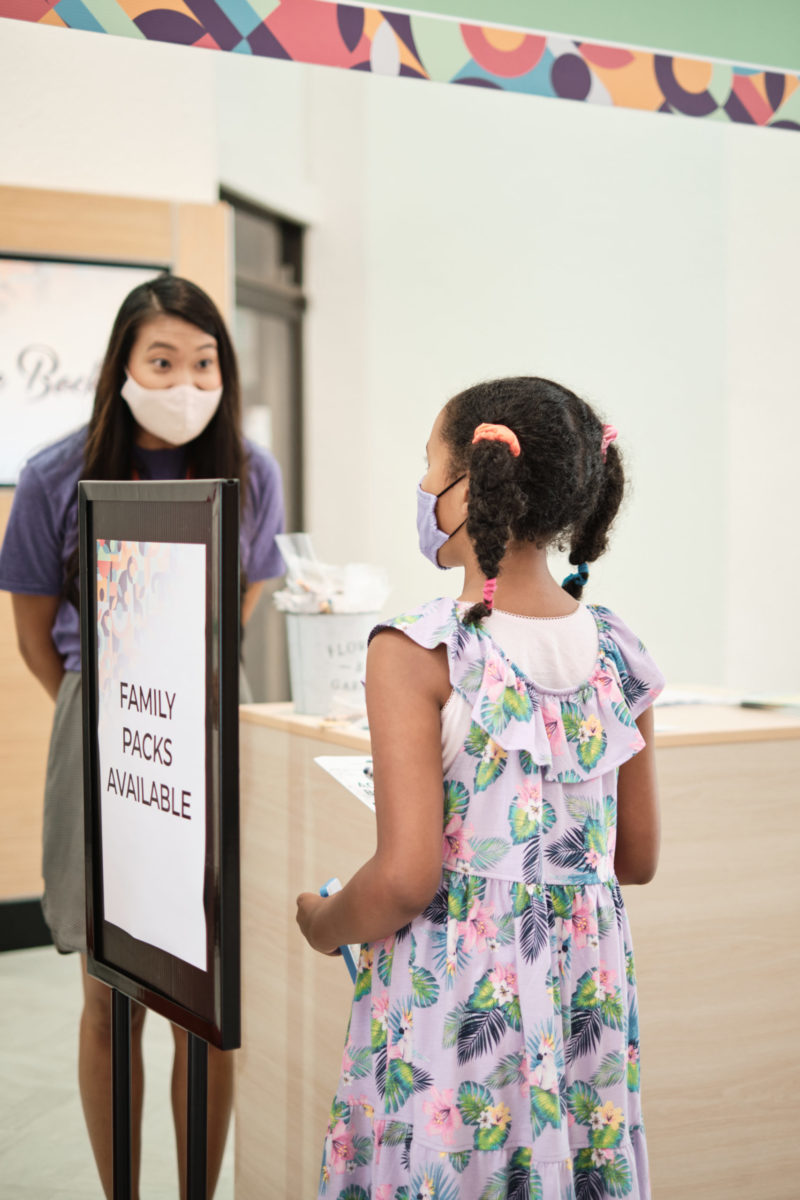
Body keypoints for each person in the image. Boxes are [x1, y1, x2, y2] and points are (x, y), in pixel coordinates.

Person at [296, 376, 663, 1199]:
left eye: (430, 466)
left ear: (473, 484)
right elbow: (633, 857)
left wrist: (324, 923)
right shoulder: (615, 649)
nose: (423, 489)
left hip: (460, 1005)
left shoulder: (419, 650)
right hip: (585, 1005)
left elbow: (403, 878)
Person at [0, 274, 285, 1199]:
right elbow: (37, 638)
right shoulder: (55, 474)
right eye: (162, 360)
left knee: (205, 997)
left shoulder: (251, 469)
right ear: (122, 363)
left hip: (210, 723)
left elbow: (235, 612)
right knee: (107, 995)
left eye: (204, 362)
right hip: (99, 722)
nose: (185, 380)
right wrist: (101, 715)